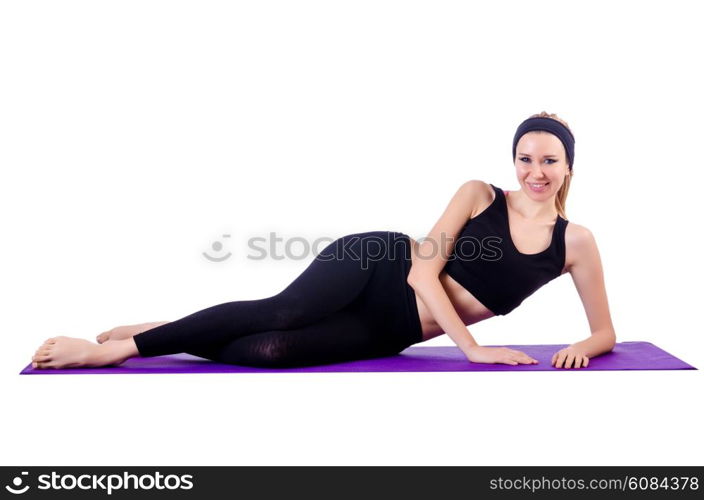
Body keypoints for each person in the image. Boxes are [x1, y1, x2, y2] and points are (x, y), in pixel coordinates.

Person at [30, 111, 616, 370]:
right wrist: (473, 349)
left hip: (397, 329)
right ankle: (112, 350)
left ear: (569, 166)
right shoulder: (479, 194)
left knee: (275, 351)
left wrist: (582, 350)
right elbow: (420, 274)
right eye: (524, 157)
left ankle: (160, 329)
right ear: (512, 161)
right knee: (283, 313)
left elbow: (604, 331)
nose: (534, 170)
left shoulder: (577, 243)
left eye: (549, 160)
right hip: (379, 264)